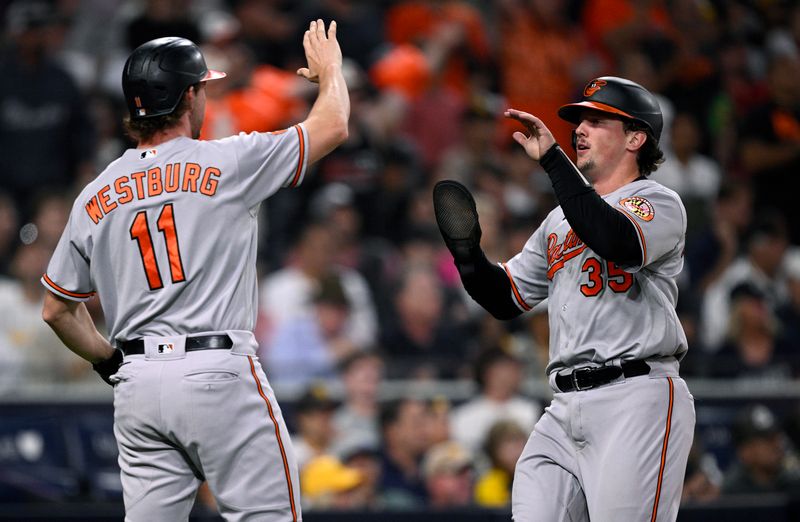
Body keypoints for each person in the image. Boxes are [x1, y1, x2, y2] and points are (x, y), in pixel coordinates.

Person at [40, 20, 349, 521]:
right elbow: (332, 126)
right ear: (188, 97)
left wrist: (109, 362)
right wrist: (331, 73)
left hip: (138, 385)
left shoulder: (95, 194)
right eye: (203, 88)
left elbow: (57, 309)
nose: (205, 97)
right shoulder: (227, 162)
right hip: (217, 370)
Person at [433, 76, 695, 521]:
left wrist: (554, 161)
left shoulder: (657, 200)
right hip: (563, 405)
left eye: (596, 120)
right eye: (579, 121)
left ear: (636, 137)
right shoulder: (559, 220)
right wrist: (468, 255)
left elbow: (616, 239)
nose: (579, 129)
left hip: (635, 396)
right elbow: (506, 299)